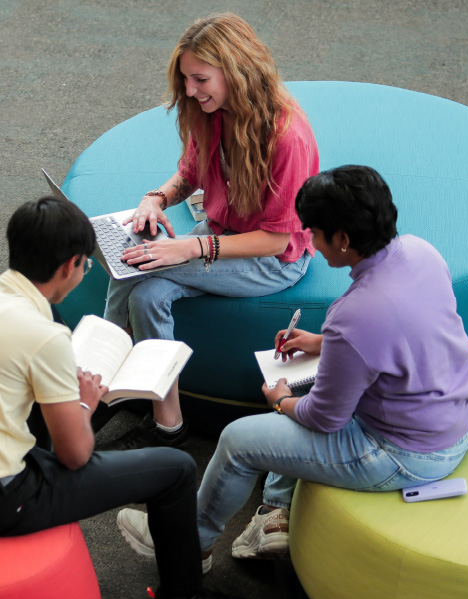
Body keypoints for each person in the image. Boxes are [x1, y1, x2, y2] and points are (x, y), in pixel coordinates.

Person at [116, 165, 468, 568]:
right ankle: (275, 514)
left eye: (314, 231)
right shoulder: (420, 251)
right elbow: (407, 332)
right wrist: (325, 345)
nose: (308, 241)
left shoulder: (354, 314)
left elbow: (324, 418)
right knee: (311, 371)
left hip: (408, 453)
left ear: (342, 239)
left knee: (239, 441)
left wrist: (281, 401)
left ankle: (188, 542)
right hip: (466, 411)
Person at [0, 196, 237, 599]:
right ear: (69, 267)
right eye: (86, 263)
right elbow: (75, 457)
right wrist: (86, 402)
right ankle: (184, 594)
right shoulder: (46, 338)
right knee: (178, 469)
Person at [101, 12, 319, 450]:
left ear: (234, 70)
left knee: (134, 264)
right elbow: (190, 173)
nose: (189, 90)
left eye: (199, 79)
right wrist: (155, 200)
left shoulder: (287, 137)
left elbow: (277, 240)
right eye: (185, 79)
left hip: (271, 261)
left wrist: (190, 247)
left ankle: (102, 368)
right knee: (145, 293)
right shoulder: (213, 111)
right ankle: (170, 427)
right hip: (218, 230)